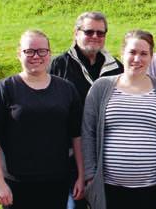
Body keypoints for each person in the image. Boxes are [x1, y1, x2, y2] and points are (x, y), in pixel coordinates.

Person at [0, 30, 83, 209]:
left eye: (42, 51)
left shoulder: (67, 89)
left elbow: (77, 136)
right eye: (29, 51)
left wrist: (81, 176)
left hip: (57, 183)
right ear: (19, 54)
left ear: (49, 54)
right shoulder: (4, 89)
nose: (36, 56)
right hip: (16, 186)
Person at [82, 30, 156, 209]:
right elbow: (88, 132)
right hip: (108, 189)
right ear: (122, 54)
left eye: (144, 54)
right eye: (132, 52)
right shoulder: (101, 87)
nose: (137, 59)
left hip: (152, 190)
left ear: (151, 57)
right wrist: (90, 175)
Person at [50, 11, 123, 209]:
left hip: (107, 154)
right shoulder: (58, 65)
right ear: (76, 33)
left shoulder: (117, 68)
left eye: (101, 33)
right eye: (89, 32)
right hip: (70, 155)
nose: (95, 37)